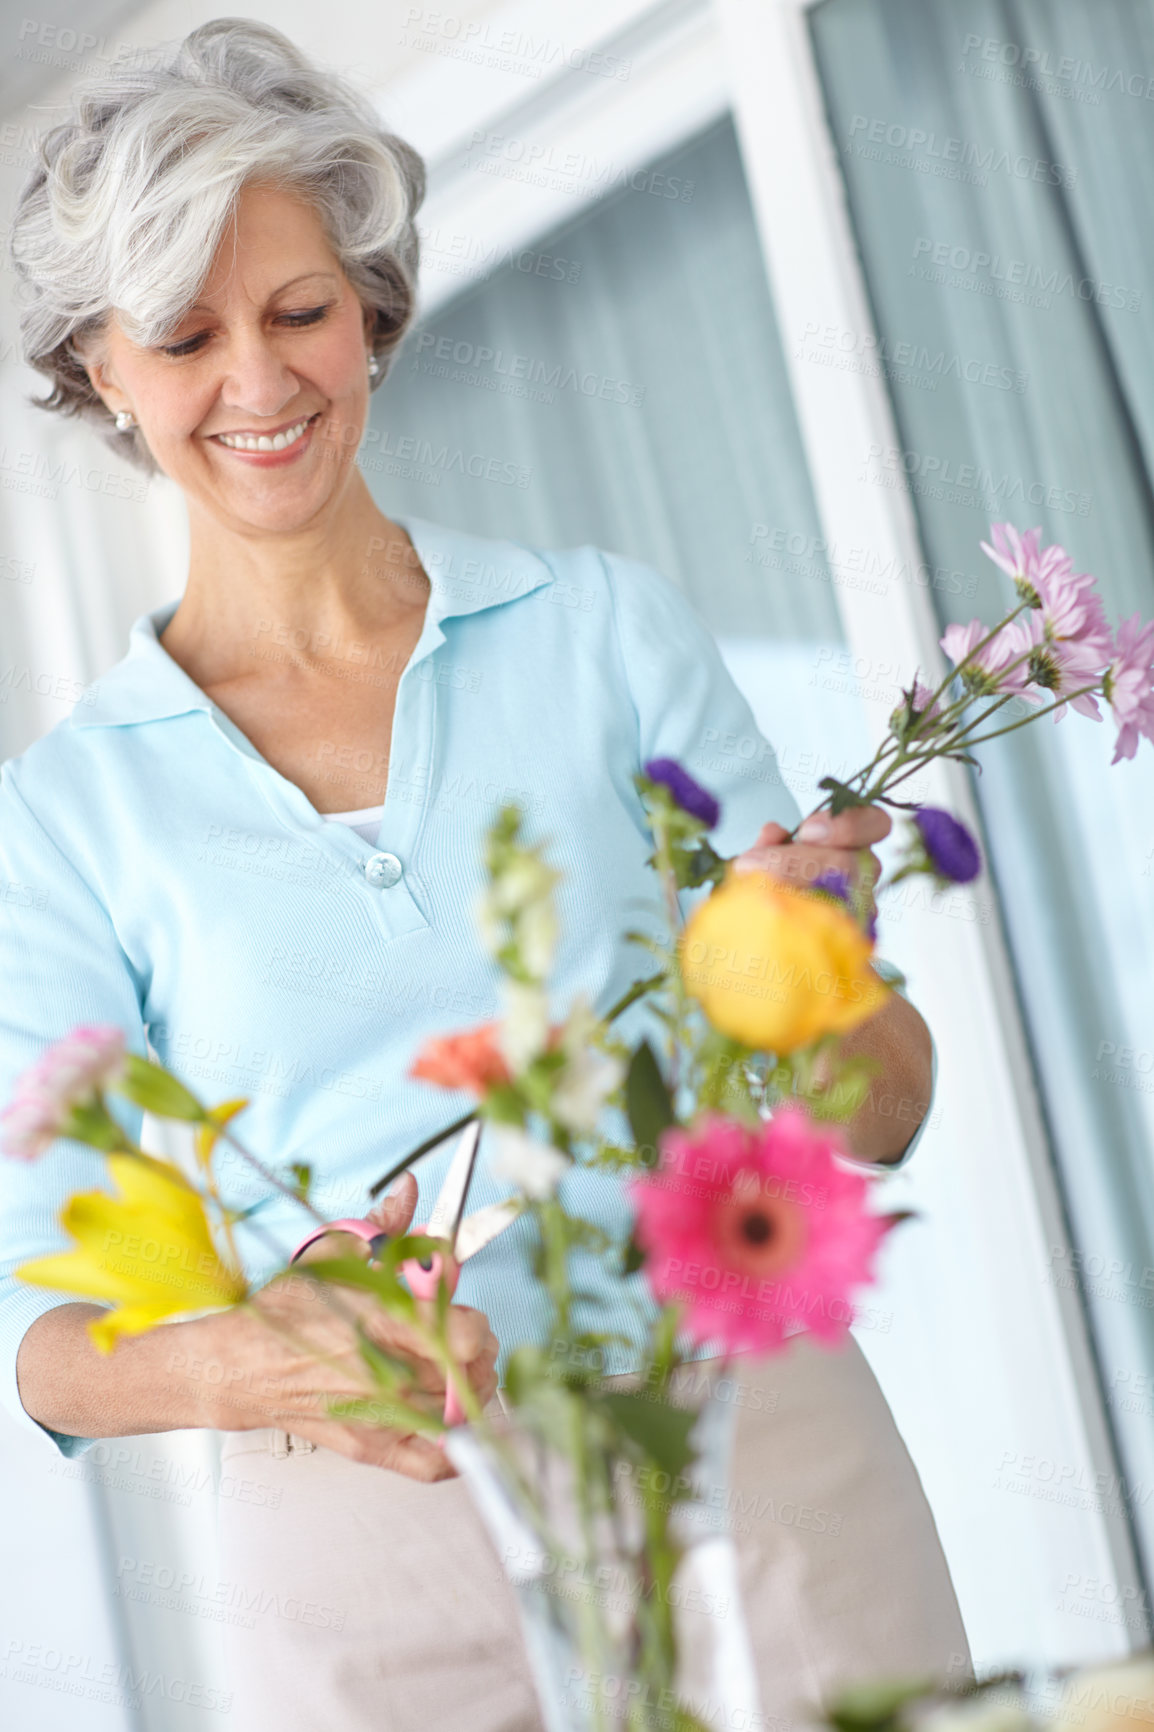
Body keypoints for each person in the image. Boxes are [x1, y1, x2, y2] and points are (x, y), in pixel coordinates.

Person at [0, 19, 969, 1730]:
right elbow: (49, 1330)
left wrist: (809, 979)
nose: (259, 383)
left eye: (301, 310)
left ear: (372, 307)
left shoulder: (601, 631)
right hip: (360, 1532)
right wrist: (254, 1356)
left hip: (739, 1428)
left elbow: (877, 1106)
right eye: (183, 334)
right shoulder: (68, 814)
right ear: (98, 368)